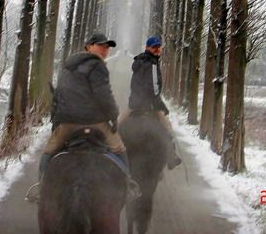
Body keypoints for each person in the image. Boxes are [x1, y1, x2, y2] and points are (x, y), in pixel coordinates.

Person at [39, 33, 139, 200]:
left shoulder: (68, 64)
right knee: (119, 148)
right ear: (88, 46)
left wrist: (58, 118)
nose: (104, 50)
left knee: (49, 150)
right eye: (100, 46)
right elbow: (104, 95)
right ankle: (128, 185)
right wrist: (113, 116)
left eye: (107, 47)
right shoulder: (98, 66)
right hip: (94, 122)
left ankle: (41, 187)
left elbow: (59, 94)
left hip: (67, 122)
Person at [120, 36, 182, 169]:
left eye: (159, 47)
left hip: (134, 102)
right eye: (154, 47)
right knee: (167, 127)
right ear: (147, 47)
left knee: (118, 123)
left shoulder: (140, 61)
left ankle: (108, 145)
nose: (157, 49)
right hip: (149, 104)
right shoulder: (152, 63)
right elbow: (154, 89)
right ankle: (171, 156)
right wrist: (160, 105)